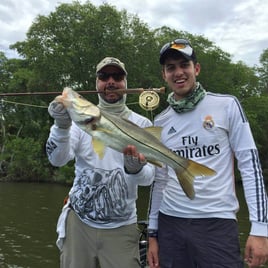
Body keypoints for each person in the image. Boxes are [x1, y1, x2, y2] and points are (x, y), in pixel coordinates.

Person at [147, 39, 268, 268]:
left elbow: (250, 166)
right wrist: (153, 233)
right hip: (170, 224)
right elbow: (160, 179)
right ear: (164, 75)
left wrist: (261, 228)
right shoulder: (161, 121)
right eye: (171, 68)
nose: (178, 72)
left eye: (184, 65)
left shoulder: (227, 105)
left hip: (217, 223)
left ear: (197, 68)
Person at [46, 57, 155, 268]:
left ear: (126, 83)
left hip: (122, 227)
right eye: (104, 77)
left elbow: (149, 179)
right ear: (97, 84)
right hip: (79, 223)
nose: (111, 82)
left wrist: (136, 170)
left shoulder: (142, 124)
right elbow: (57, 160)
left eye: (117, 76)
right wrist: (60, 126)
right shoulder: (79, 123)